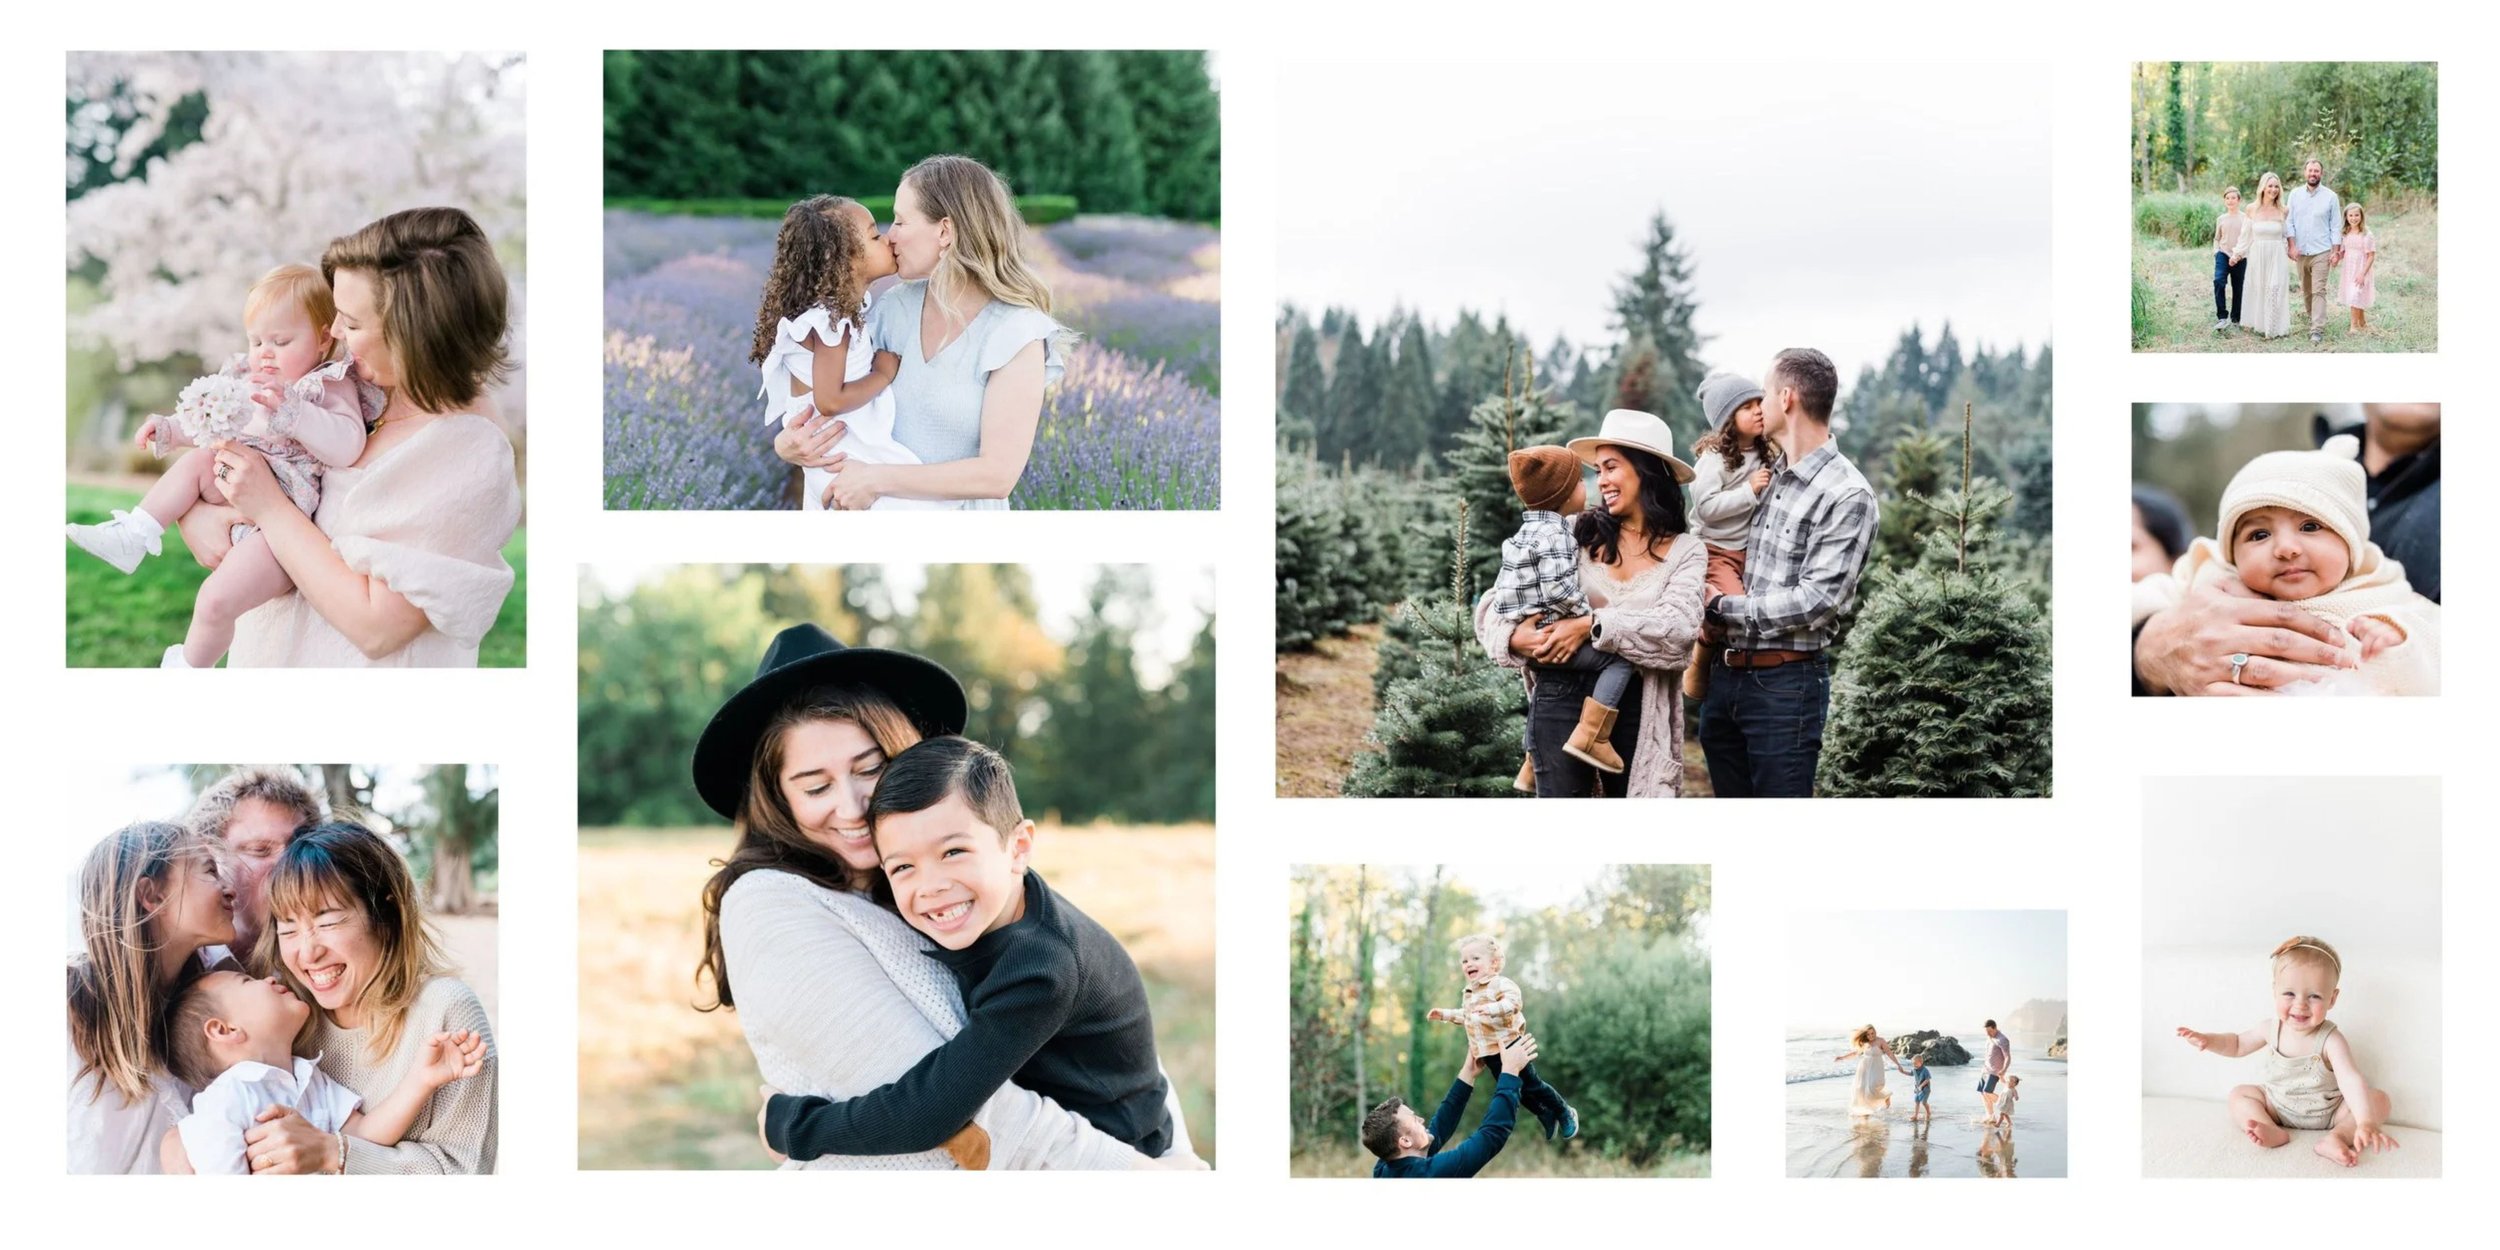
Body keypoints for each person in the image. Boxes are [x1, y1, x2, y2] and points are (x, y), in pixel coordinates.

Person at [694, 623, 1192, 1169]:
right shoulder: (777, 904)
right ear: (779, 799)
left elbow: (947, 1108)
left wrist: (795, 1126)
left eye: (873, 769)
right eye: (816, 787)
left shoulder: (978, 903)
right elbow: (952, 1110)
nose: (855, 805)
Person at [760, 736, 1177, 1161]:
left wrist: (793, 1126)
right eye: (903, 867)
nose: (932, 886)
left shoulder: (1039, 970)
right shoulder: (1008, 905)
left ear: (1018, 847)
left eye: (954, 851)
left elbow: (927, 1113)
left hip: (1114, 1157)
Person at [180, 207, 521, 667]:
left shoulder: (465, 448)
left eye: (353, 323)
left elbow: (377, 627)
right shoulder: (356, 399)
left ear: (416, 334)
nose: (335, 332)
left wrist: (268, 508)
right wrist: (199, 515)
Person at [66, 264, 372, 668]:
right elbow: (215, 419)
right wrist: (172, 430)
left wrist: (296, 413)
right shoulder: (249, 381)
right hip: (234, 485)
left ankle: (189, 667)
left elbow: (348, 444)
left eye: (281, 340)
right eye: (256, 339)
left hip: (280, 526)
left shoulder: (326, 386)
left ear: (320, 339)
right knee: (200, 457)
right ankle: (136, 533)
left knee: (213, 601)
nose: (265, 352)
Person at [787, 155, 1069, 510]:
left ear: (945, 232)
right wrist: (788, 443)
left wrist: (876, 479)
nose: (890, 237)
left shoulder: (1015, 333)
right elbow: (834, 395)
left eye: (902, 221)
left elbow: (997, 475)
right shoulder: (894, 308)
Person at [1474, 409, 1707, 798]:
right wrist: (1516, 639)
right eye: (1597, 470)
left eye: (1611, 467)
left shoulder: (1687, 552)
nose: (1602, 481)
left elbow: (1680, 631)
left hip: (1637, 710)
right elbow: (1494, 602)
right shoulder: (1572, 532)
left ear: (1647, 471)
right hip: (1558, 699)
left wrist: (1590, 625)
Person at [241, 821, 497, 1173]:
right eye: (288, 929)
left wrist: (336, 1154)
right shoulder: (285, 1018)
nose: (307, 952)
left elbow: (464, 1171)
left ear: (386, 915)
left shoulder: (446, 1011)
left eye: (327, 922)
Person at [2133, 404, 2440, 695]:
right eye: (2259, 534)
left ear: (2352, 544)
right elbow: (2147, 599)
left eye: (2310, 527)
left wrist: (2399, 642)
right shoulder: (2212, 575)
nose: (2286, 549)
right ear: (2231, 552)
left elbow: (2436, 643)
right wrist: (2144, 641)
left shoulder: (2380, 591)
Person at [1698, 348, 1877, 797]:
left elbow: (1817, 601)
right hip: (1725, 679)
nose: (1759, 404)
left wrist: (1722, 607)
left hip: (1783, 689)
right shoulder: (1763, 474)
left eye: (1764, 393)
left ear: (1787, 398)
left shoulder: (1847, 494)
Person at [158, 969, 485, 1174]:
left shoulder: (310, 1078)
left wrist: (421, 1080)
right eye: (248, 981)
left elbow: (366, 1134)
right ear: (224, 1030)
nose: (269, 978)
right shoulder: (227, 1098)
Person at [756, 195, 946, 513]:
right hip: (841, 451)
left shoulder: (843, 314)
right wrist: (882, 374)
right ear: (843, 260)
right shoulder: (831, 323)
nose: (888, 238)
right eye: (874, 236)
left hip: (841, 449)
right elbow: (830, 402)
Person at [66, 821, 235, 1173]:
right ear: (153, 895)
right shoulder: (65, 1009)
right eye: (210, 872)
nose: (229, 889)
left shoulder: (208, 1005)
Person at [2174, 935, 2400, 1168]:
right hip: (2277, 1108)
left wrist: (2365, 1121)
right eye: (2289, 994)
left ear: (2332, 998)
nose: (2300, 1004)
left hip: (2330, 1112)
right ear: (2275, 990)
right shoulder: (2269, 1029)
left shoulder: (2331, 1040)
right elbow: (2237, 1044)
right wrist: (2209, 1041)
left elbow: (2350, 1080)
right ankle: (2270, 1130)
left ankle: (2337, 1137)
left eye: (2314, 996)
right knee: (2239, 1094)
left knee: (2379, 1100)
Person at [1491, 444, 1635, 788]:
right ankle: (1593, 734)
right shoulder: (1558, 533)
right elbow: (1559, 589)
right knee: (1619, 660)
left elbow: (1503, 591)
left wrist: (1518, 626)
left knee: (1541, 682)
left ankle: (1531, 758)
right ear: (1565, 492)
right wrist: (1587, 620)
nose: (1592, 485)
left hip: (1536, 633)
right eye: (1584, 479)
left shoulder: (1523, 533)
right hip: (1552, 630)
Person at [1423, 933, 1578, 1140]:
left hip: (1510, 1047)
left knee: (1533, 1085)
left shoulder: (1499, 983)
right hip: (1490, 1054)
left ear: (1494, 963)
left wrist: (1493, 1008)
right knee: (1517, 1091)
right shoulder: (1469, 993)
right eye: (1465, 960)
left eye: (1475, 958)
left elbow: (1514, 1003)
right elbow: (1468, 1016)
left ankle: (1564, 1111)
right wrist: (1444, 1014)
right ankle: (1545, 1114)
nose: (1469, 963)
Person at [1681, 371, 1774, 700]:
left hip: (1747, 551)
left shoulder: (1763, 451)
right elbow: (1705, 507)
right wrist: (1749, 491)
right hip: (1717, 551)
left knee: (1745, 613)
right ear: (1728, 420)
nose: (1758, 410)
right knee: (1735, 612)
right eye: (1747, 406)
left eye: (1759, 402)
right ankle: (1701, 655)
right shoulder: (1714, 459)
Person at [183, 766, 326, 961]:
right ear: (210, 860)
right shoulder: (172, 968)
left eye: (298, 849)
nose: (287, 865)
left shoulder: (325, 962)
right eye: (260, 850)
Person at [1362, 1034, 1541, 1178]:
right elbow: (1491, 1135)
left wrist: (1468, 1073)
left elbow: (1438, 1129)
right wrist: (1510, 1071)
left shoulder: (1386, 1167)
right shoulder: (1429, 1175)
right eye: (1415, 1120)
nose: (1422, 1119)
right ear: (1405, 1141)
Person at [2285, 158, 2345, 345]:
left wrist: (2335, 251)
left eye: (2316, 171)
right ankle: (2312, 316)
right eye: (2310, 170)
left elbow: (2335, 226)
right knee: (2307, 290)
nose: (2313, 174)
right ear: (2305, 173)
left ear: (2321, 174)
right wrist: (2292, 246)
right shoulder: (2294, 195)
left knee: (2319, 290)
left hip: (2322, 251)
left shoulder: (2330, 197)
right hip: (2301, 251)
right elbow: (2289, 222)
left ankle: (2317, 328)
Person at [2242, 173, 2293, 339]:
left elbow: (2287, 234)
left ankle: (2272, 327)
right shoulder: (2251, 209)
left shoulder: (2283, 210)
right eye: (2270, 186)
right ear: (2263, 187)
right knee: (2259, 287)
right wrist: (2237, 254)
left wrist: (2292, 248)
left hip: (2276, 254)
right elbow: (2245, 235)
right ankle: (2259, 324)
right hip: (2258, 254)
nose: (2273, 189)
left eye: (2276, 186)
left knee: (2274, 288)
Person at [1837, 1024, 1911, 1118]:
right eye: (1868, 1034)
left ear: (1875, 1032)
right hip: (1864, 1067)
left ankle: (1886, 1096)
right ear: (1865, 1035)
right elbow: (1856, 1053)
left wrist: (1898, 1064)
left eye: (1873, 1033)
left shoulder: (1881, 1041)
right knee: (1860, 1089)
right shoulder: (1865, 1043)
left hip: (1876, 1067)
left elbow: (1889, 1053)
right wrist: (1842, 1057)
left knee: (1872, 1087)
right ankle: (1865, 1110)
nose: (1871, 1036)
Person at [2211, 186, 2250, 332]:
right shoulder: (2221, 219)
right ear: (2224, 201)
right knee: (2218, 281)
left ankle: (2236, 318)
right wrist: (2216, 252)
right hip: (2223, 254)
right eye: (2227, 198)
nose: (2230, 200)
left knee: (2238, 287)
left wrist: (2239, 254)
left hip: (2240, 256)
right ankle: (2222, 317)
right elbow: (2217, 238)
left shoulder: (2245, 218)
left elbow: (2247, 239)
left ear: (2239, 200)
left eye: (2233, 198)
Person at [2337, 203, 2376, 335]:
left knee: (2355, 294)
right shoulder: (2345, 233)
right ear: (2346, 217)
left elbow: (2371, 256)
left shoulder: (2366, 234)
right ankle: (2362, 323)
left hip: (2361, 269)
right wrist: (2336, 256)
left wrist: (2362, 273)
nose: (2354, 218)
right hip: (2349, 269)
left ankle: (2353, 326)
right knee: (2356, 295)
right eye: (2351, 215)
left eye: (2356, 215)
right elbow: (2343, 252)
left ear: (2361, 216)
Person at [1979, 1020, 2012, 1121]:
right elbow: (1988, 1054)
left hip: (1995, 1071)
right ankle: (1991, 1116)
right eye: (1986, 1032)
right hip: (1985, 1070)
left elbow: (2007, 1057)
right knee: (1982, 1092)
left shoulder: (2003, 1039)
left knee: (1987, 1091)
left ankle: (2004, 1105)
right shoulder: (1989, 1038)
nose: (1988, 1034)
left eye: (1989, 1031)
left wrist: (2003, 1070)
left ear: (1995, 1027)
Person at [1909, 1052, 1934, 1125]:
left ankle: (1928, 1113)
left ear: (1921, 1062)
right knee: (1916, 1101)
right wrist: (1902, 1071)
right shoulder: (1914, 1069)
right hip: (1918, 1089)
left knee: (1924, 1102)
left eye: (1915, 1064)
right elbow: (1910, 1074)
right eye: (1913, 1064)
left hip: (1925, 1089)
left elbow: (1928, 1079)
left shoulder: (1925, 1070)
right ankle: (1915, 1116)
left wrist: (1921, 1086)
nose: (1914, 1065)